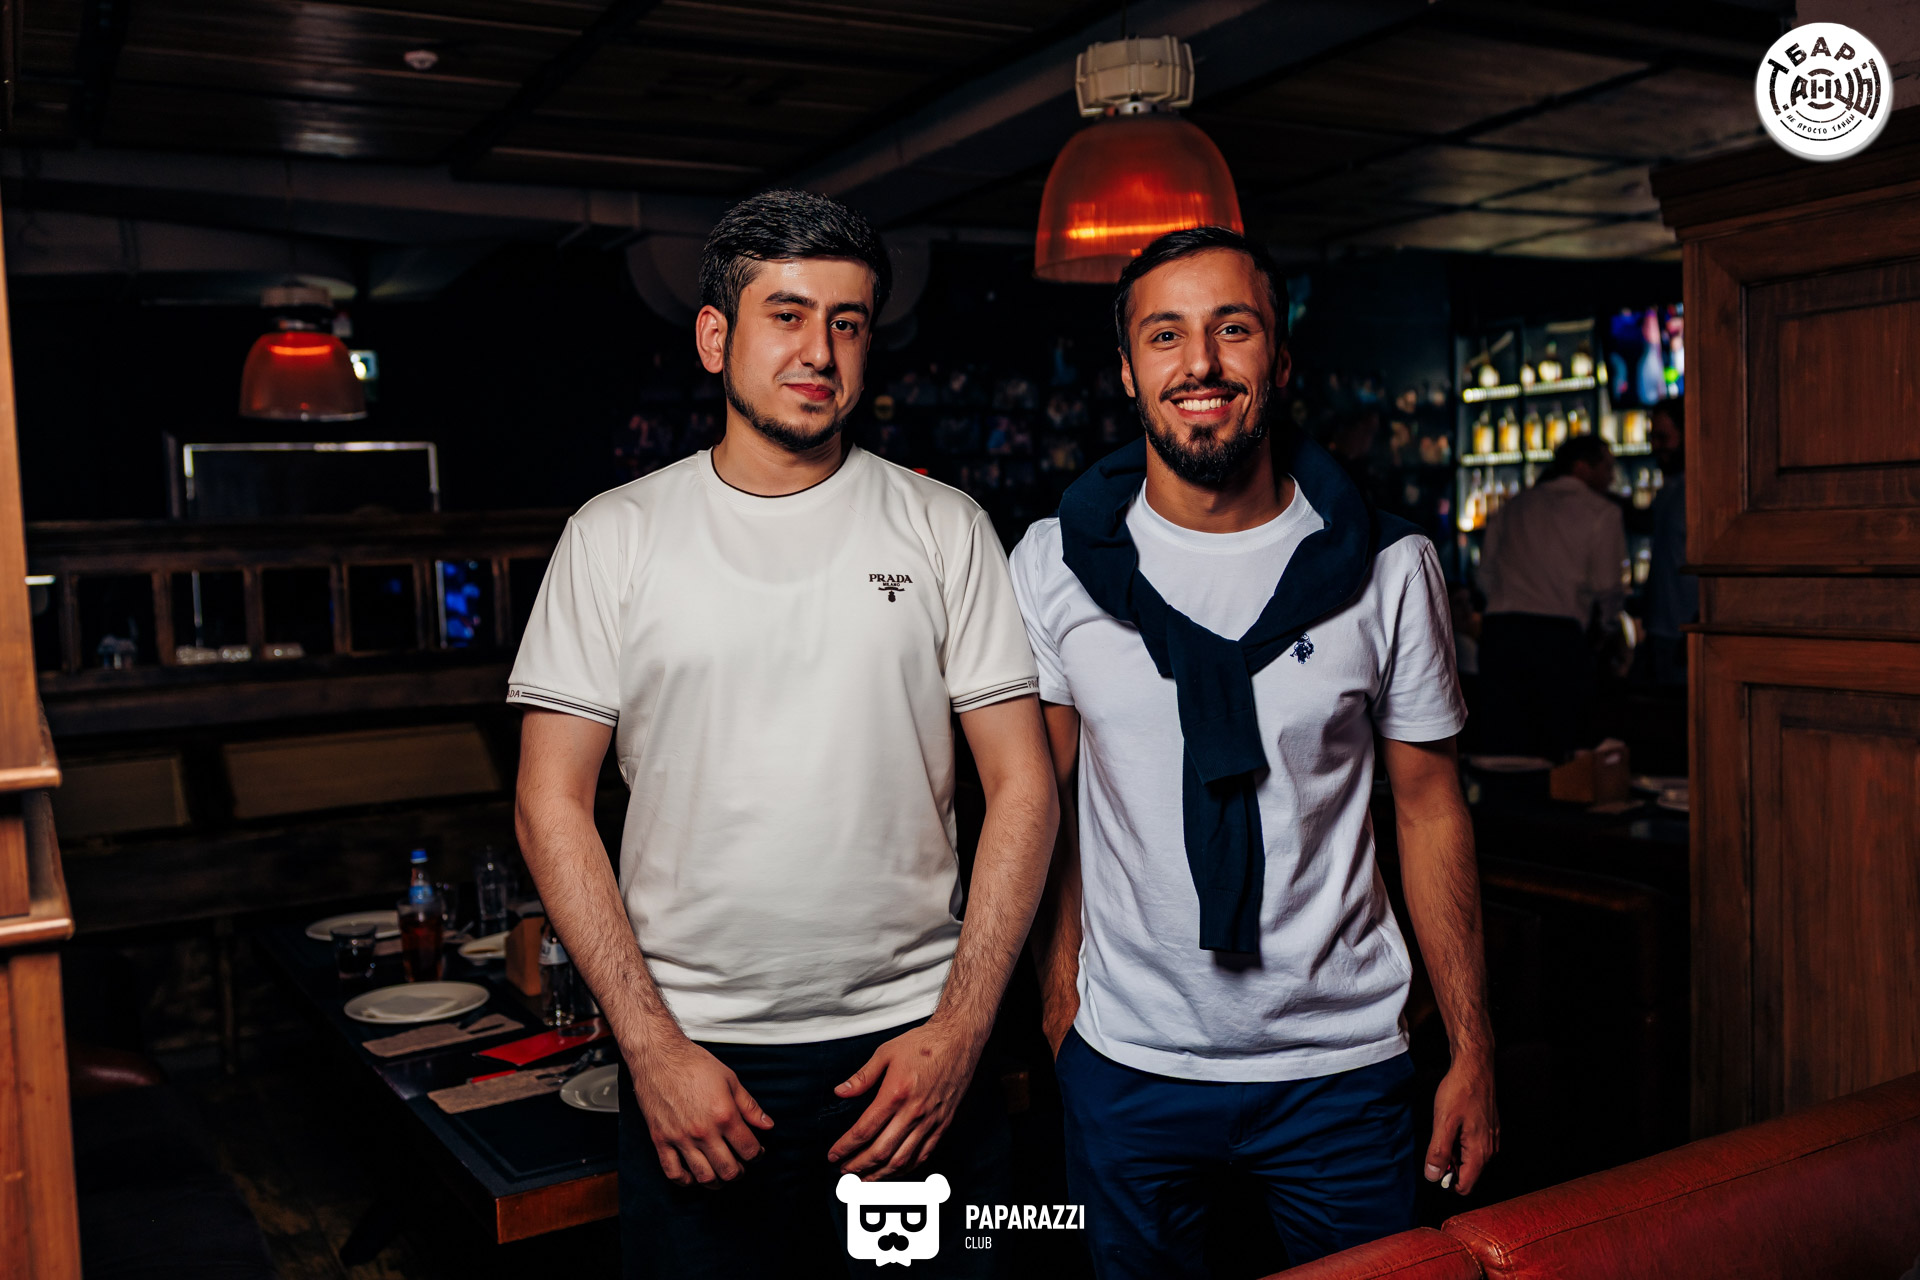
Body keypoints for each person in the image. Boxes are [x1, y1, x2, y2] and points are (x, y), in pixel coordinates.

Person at [509, 189, 1058, 1279]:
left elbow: (1026, 785)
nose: (820, 351)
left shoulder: (944, 525)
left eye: (847, 322)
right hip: (697, 1060)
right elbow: (547, 800)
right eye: (788, 315)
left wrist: (962, 1033)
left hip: (910, 1055)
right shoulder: (615, 535)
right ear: (716, 337)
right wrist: (651, 1047)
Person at [1009, 227, 1497, 1277]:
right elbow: (1044, 804)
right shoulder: (1053, 563)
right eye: (1165, 335)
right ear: (1128, 368)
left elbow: (1429, 807)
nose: (1201, 362)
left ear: (1277, 358)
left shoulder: (1391, 565)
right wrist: (1059, 996)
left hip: (1342, 1068)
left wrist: (1472, 1046)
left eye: (1233, 329)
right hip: (1128, 1061)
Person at [1475, 434, 1627, 760]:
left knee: (1505, 747)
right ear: (1582, 468)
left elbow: (1485, 574)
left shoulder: (1514, 506)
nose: (1612, 477)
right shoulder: (1602, 512)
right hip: (1558, 639)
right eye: (1607, 468)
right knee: (1559, 749)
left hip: (1501, 634)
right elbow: (1609, 589)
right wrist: (1607, 630)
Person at [1640, 397, 1693, 686]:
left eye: (1663, 437)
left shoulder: (1698, 490)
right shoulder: (1669, 490)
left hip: (1683, 633)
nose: (1656, 446)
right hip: (1662, 629)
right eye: (1652, 438)